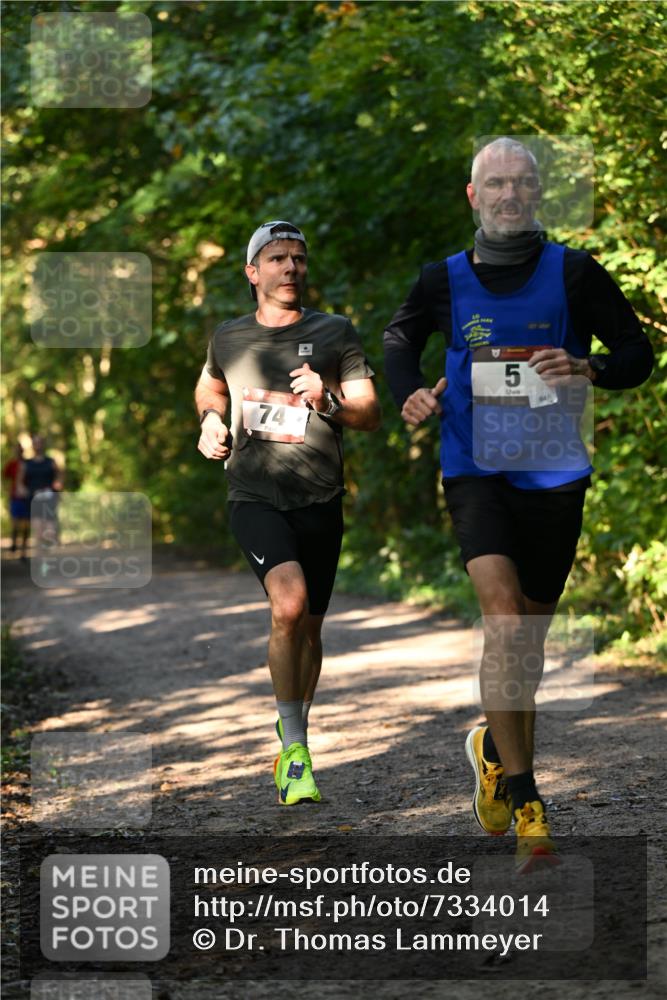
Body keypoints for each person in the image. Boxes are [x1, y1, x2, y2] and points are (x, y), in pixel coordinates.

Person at [383, 137, 654, 872]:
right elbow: (399, 340)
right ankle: (529, 802)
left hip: (554, 475)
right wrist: (407, 388)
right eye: (493, 185)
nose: (507, 196)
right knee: (502, 622)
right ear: (473, 196)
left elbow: (637, 354)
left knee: (525, 642)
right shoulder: (439, 280)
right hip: (475, 469)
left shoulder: (573, 272)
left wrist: (587, 362)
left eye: (520, 185)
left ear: (536, 195)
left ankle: (492, 750)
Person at [195, 221, 381, 806]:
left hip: (320, 497)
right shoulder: (229, 338)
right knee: (290, 604)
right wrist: (209, 421)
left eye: (298, 259)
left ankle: (292, 727)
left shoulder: (334, 332)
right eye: (277, 259)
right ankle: (295, 749)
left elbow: (371, 414)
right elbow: (210, 388)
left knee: (312, 627)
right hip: (254, 496)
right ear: (253, 272)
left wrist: (327, 399)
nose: (290, 268)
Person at [18, 434, 62, 553]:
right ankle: (41, 561)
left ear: (43, 444)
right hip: (33, 500)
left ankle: (49, 558)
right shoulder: (26, 463)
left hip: (49, 499)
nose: (37, 445)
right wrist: (22, 489)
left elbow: (59, 476)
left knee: (50, 532)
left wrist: (58, 484)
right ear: (32, 445)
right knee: (38, 532)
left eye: (39, 442)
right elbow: (20, 482)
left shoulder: (50, 461)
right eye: (35, 443)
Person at [2, 442, 30, 558]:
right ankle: (14, 543)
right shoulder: (11, 464)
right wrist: (7, 491)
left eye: (20, 450)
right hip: (15, 497)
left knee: (25, 525)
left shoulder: (28, 464)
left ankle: (23, 550)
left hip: (27, 498)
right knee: (15, 523)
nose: (18, 452)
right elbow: (4, 477)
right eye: (16, 450)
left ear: (22, 451)